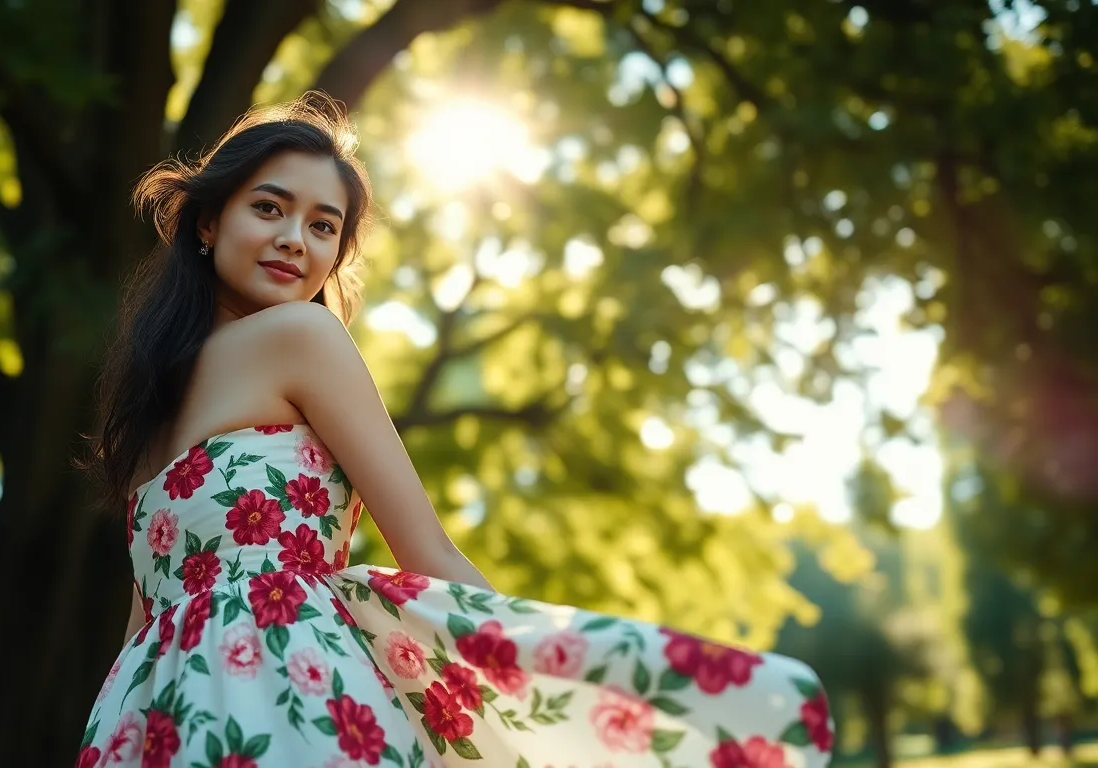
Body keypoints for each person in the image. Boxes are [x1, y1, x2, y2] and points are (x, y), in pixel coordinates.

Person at [79, 93, 833, 768]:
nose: (294, 241)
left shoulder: (296, 341)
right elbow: (145, 615)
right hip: (204, 703)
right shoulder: (160, 405)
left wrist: (553, 684)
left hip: (217, 703)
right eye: (269, 208)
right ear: (209, 222)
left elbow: (426, 551)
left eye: (322, 227)